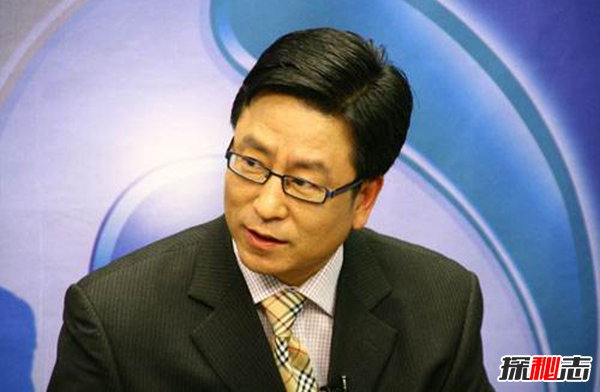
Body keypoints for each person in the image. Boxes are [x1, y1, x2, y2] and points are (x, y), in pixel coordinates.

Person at [49, 28, 493, 391]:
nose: (265, 205)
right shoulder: (114, 318)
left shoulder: (442, 305)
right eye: (251, 163)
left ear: (364, 199)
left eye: (304, 183)